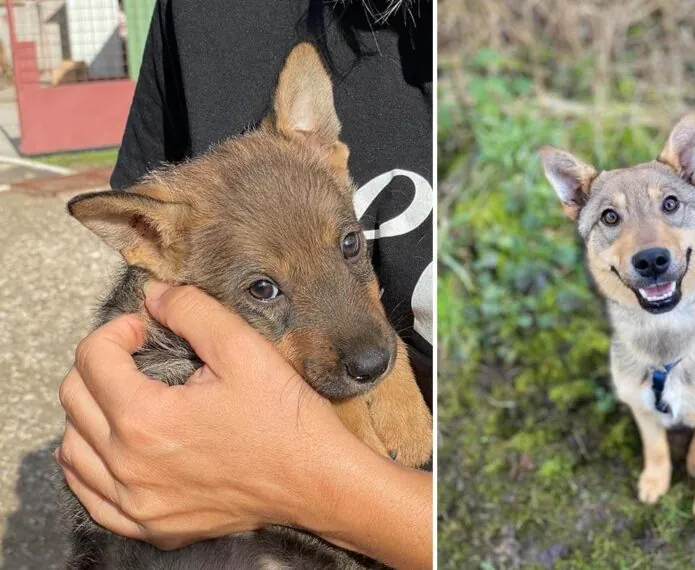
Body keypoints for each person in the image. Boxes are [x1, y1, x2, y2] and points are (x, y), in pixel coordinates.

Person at [56, 1, 433, 568]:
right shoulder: (204, 17)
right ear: (149, 238)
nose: (369, 347)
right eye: (264, 289)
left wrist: (336, 492)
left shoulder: (307, 160)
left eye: (350, 244)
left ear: (325, 147)